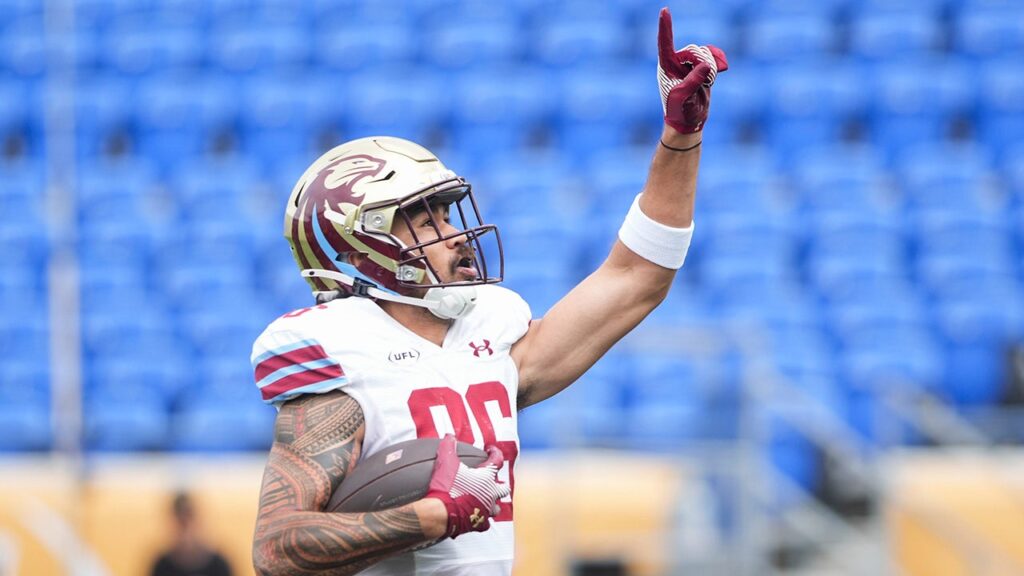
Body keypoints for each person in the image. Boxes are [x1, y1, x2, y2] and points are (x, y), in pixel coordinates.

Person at [250, 8, 727, 576]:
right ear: (361, 250)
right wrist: (430, 517)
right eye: (425, 220)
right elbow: (278, 548)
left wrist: (680, 139)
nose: (454, 233)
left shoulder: (490, 335)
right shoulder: (341, 352)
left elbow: (637, 278)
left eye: (447, 213)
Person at [151, 492, 233, 576]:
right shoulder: (161, 567)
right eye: (181, 522)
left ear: (200, 521)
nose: (187, 530)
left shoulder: (219, 566)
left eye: (189, 519)